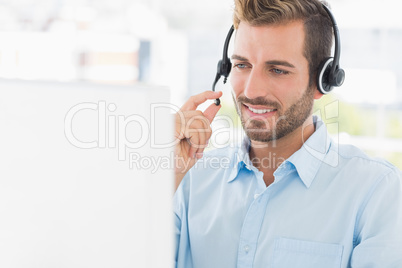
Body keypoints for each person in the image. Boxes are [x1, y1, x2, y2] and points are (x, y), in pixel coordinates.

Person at [173, 0, 402, 267]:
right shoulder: (187, 182)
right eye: (242, 65)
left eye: (278, 70)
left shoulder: (376, 193)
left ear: (322, 81)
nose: (251, 90)